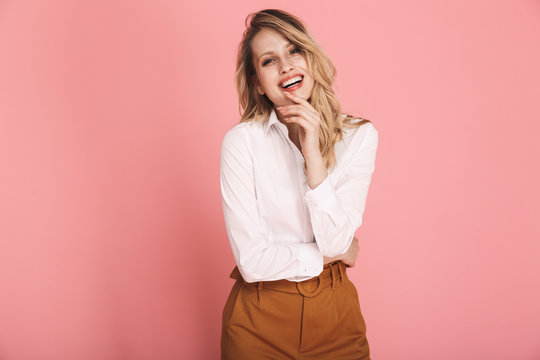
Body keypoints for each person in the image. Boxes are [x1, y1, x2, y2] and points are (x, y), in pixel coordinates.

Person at [219, 8, 378, 360]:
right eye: (269, 61)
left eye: (294, 51)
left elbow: (336, 237)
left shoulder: (358, 137)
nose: (287, 66)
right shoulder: (242, 143)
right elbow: (253, 262)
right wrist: (332, 255)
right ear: (258, 82)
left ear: (310, 57)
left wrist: (314, 156)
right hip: (259, 319)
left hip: (336, 316)